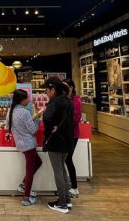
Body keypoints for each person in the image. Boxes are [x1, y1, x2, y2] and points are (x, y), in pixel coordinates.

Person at [42, 77, 74, 214]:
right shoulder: (68, 101)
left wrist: (51, 129)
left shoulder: (54, 102)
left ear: (53, 90)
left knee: (58, 172)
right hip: (67, 141)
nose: (45, 93)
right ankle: (67, 199)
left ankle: (62, 203)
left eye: (46, 90)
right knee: (63, 170)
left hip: (55, 141)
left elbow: (46, 118)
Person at [7, 89, 42, 207]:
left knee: (38, 162)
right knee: (30, 170)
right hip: (28, 144)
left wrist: (32, 119)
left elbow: (9, 126)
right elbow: (33, 130)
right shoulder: (25, 112)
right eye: (27, 98)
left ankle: (23, 185)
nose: (29, 100)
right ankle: (26, 198)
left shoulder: (11, 111)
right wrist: (37, 118)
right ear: (21, 100)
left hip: (20, 143)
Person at [63, 79, 82, 199]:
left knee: (68, 158)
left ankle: (74, 187)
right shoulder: (64, 99)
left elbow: (76, 118)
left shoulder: (76, 100)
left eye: (65, 87)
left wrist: (63, 120)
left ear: (71, 87)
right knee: (66, 158)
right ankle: (69, 185)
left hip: (72, 134)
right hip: (65, 133)